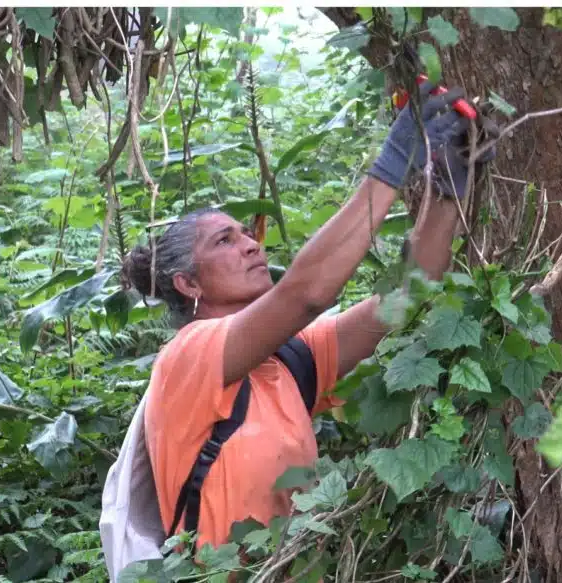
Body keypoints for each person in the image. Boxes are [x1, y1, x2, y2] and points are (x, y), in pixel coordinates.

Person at [117, 82, 493, 553]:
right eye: (224, 242)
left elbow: (407, 294)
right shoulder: (187, 358)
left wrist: (448, 183)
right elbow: (307, 295)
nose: (252, 245)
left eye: (244, 234)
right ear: (188, 285)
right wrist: (395, 159)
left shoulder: (291, 360)